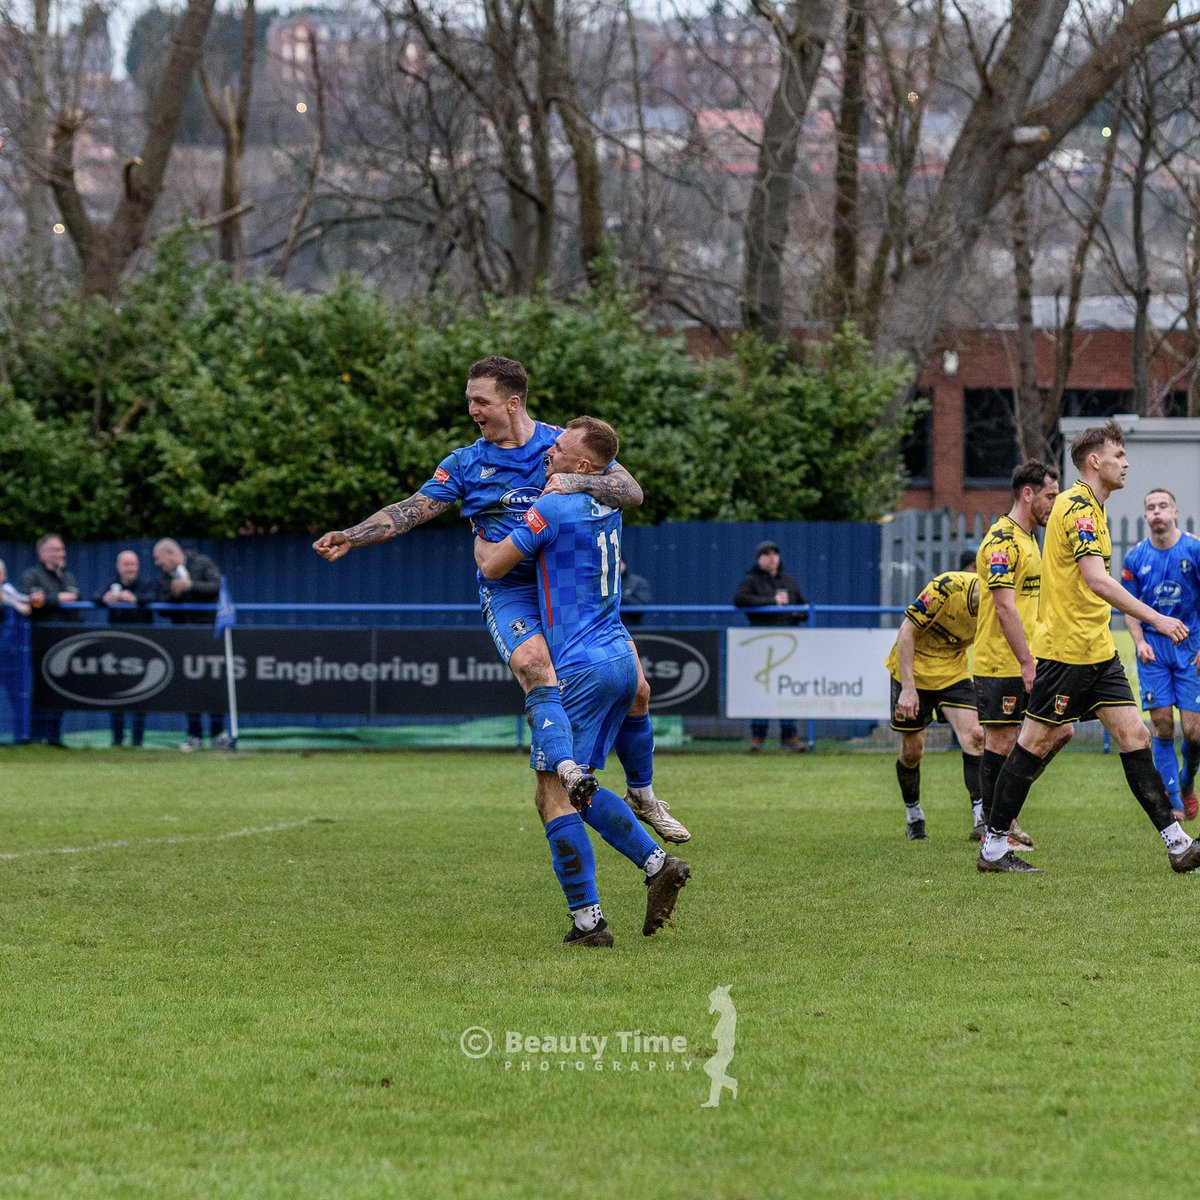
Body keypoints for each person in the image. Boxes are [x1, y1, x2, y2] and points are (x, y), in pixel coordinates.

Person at [313, 355, 690, 844]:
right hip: (509, 588)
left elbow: (630, 490)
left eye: (480, 400)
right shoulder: (465, 463)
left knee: (637, 689)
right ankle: (570, 773)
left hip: (569, 589)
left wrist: (573, 481)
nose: (471, 409)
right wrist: (353, 536)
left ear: (512, 402)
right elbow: (411, 510)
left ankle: (642, 795)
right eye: (469, 399)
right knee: (536, 666)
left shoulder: (561, 445)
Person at [473, 417, 689, 947]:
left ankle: (601, 912)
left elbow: (496, 568)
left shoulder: (551, 508)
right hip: (620, 655)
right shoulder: (610, 501)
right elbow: (623, 484)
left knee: (556, 795)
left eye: (561, 449)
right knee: (576, 787)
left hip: (581, 665)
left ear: (584, 466)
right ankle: (645, 802)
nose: (550, 452)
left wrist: (482, 534)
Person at [983, 421, 1200, 874]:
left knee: (1135, 736)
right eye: (1119, 455)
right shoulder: (1080, 508)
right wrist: (1156, 617)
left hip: (1098, 653)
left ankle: (1177, 844)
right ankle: (993, 847)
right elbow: (1096, 580)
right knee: (1033, 744)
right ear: (1095, 462)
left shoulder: (1091, 508)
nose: (1126, 462)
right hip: (1065, 654)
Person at [973, 461, 1071, 848]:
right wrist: (1028, 662)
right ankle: (996, 827)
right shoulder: (1002, 540)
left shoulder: (1031, 539)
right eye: (1050, 496)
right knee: (1000, 742)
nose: (1054, 503)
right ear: (1027, 493)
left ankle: (1003, 810)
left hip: (1032, 658)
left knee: (1061, 730)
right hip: (1002, 660)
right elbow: (1003, 608)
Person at [885, 552, 984, 840]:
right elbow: (906, 631)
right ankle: (913, 815)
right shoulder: (945, 587)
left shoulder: (1002, 608)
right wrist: (908, 687)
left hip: (952, 672)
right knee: (912, 751)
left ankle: (981, 819)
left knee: (976, 736)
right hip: (911, 669)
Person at [1120, 488, 1200, 822]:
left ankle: (1186, 778)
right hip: (1154, 649)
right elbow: (1129, 607)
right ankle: (1174, 804)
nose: (1156, 512)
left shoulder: (1194, 549)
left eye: (1162, 506)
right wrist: (1138, 641)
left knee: (1195, 732)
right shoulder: (1135, 558)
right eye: (1150, 507)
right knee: (1162, 724)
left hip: (1190, 646)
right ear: (1145, 515)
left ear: (1175, 512)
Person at [733, 539, 808, 752]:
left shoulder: (789, 581)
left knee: (787, 688)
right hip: (762, 644)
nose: (772, 557)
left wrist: (799, 612)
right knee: (761, 689)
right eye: (766, 554)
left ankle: (789, 736)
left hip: (788, 644)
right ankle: (758, 737)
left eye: (775, 553)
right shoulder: (751, 581)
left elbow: (802, 605)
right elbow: (740, 600)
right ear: (759, 559)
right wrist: (771, 600)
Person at [152, 538, 226, 751]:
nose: (158, 563)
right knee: (190, 687)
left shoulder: (202, 563)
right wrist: (175, 595)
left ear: (170, 553)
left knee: (213, 684)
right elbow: (162, 607)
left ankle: (217, 733)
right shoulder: (165, 575)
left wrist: (191, 585)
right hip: (183, 637)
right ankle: (194, 735)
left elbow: (216, 587)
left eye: (159, 558)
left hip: (209, 634)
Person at [20, 533, 80, 747]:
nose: (60, 554)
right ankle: (36, 737)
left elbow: (78, 610)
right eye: (55, 549)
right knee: (40, 689)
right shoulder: (32, 575)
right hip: (39, 642)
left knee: (59, 690)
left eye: (62, 549)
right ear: (42, 553)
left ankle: (54, 737)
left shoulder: (69, 577)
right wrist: (59, 599)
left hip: (65, 643)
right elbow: (32, 601)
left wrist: (51, 599)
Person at [95, 550, 156, 748]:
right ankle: (117, 740)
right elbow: (95, 596)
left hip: (141, 647)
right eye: (126, 564)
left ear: (138, 566)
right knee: (117, 694)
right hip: (116, 648)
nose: (129, 568)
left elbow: (152, 598)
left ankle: (137, 741)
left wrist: (134, 599)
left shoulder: (146, 584)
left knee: (141, 694)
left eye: (133, 564)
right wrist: (107, 598)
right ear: (118, 566)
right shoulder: (111, 583)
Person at [619, 559, 653, 626]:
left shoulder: (637, 582)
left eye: (620, 562)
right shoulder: (601, 584)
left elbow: (640, 606)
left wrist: (619, 595)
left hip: (632, 627)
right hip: (606, 630)